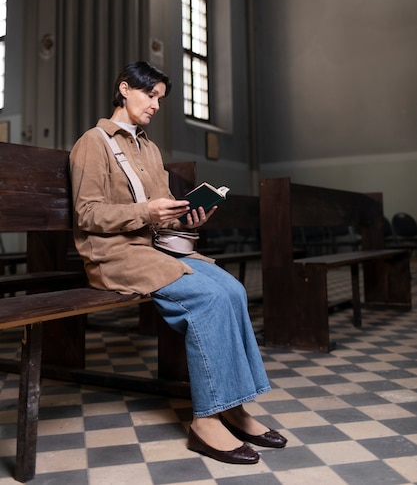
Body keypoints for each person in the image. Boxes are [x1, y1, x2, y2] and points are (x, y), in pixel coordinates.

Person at [69, 61, 287, 465]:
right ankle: (206, 422)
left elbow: (161, 211)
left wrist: (188, 216)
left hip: (156, 249)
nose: (155, 105)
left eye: (160, 99)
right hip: (114, 256)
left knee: (234, 290)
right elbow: (87, 215)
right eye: (149, 95)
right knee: (208, 297)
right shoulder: (93, 142)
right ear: (123, 88)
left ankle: (233, 407)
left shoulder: (149, 148)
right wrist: (147, 212)